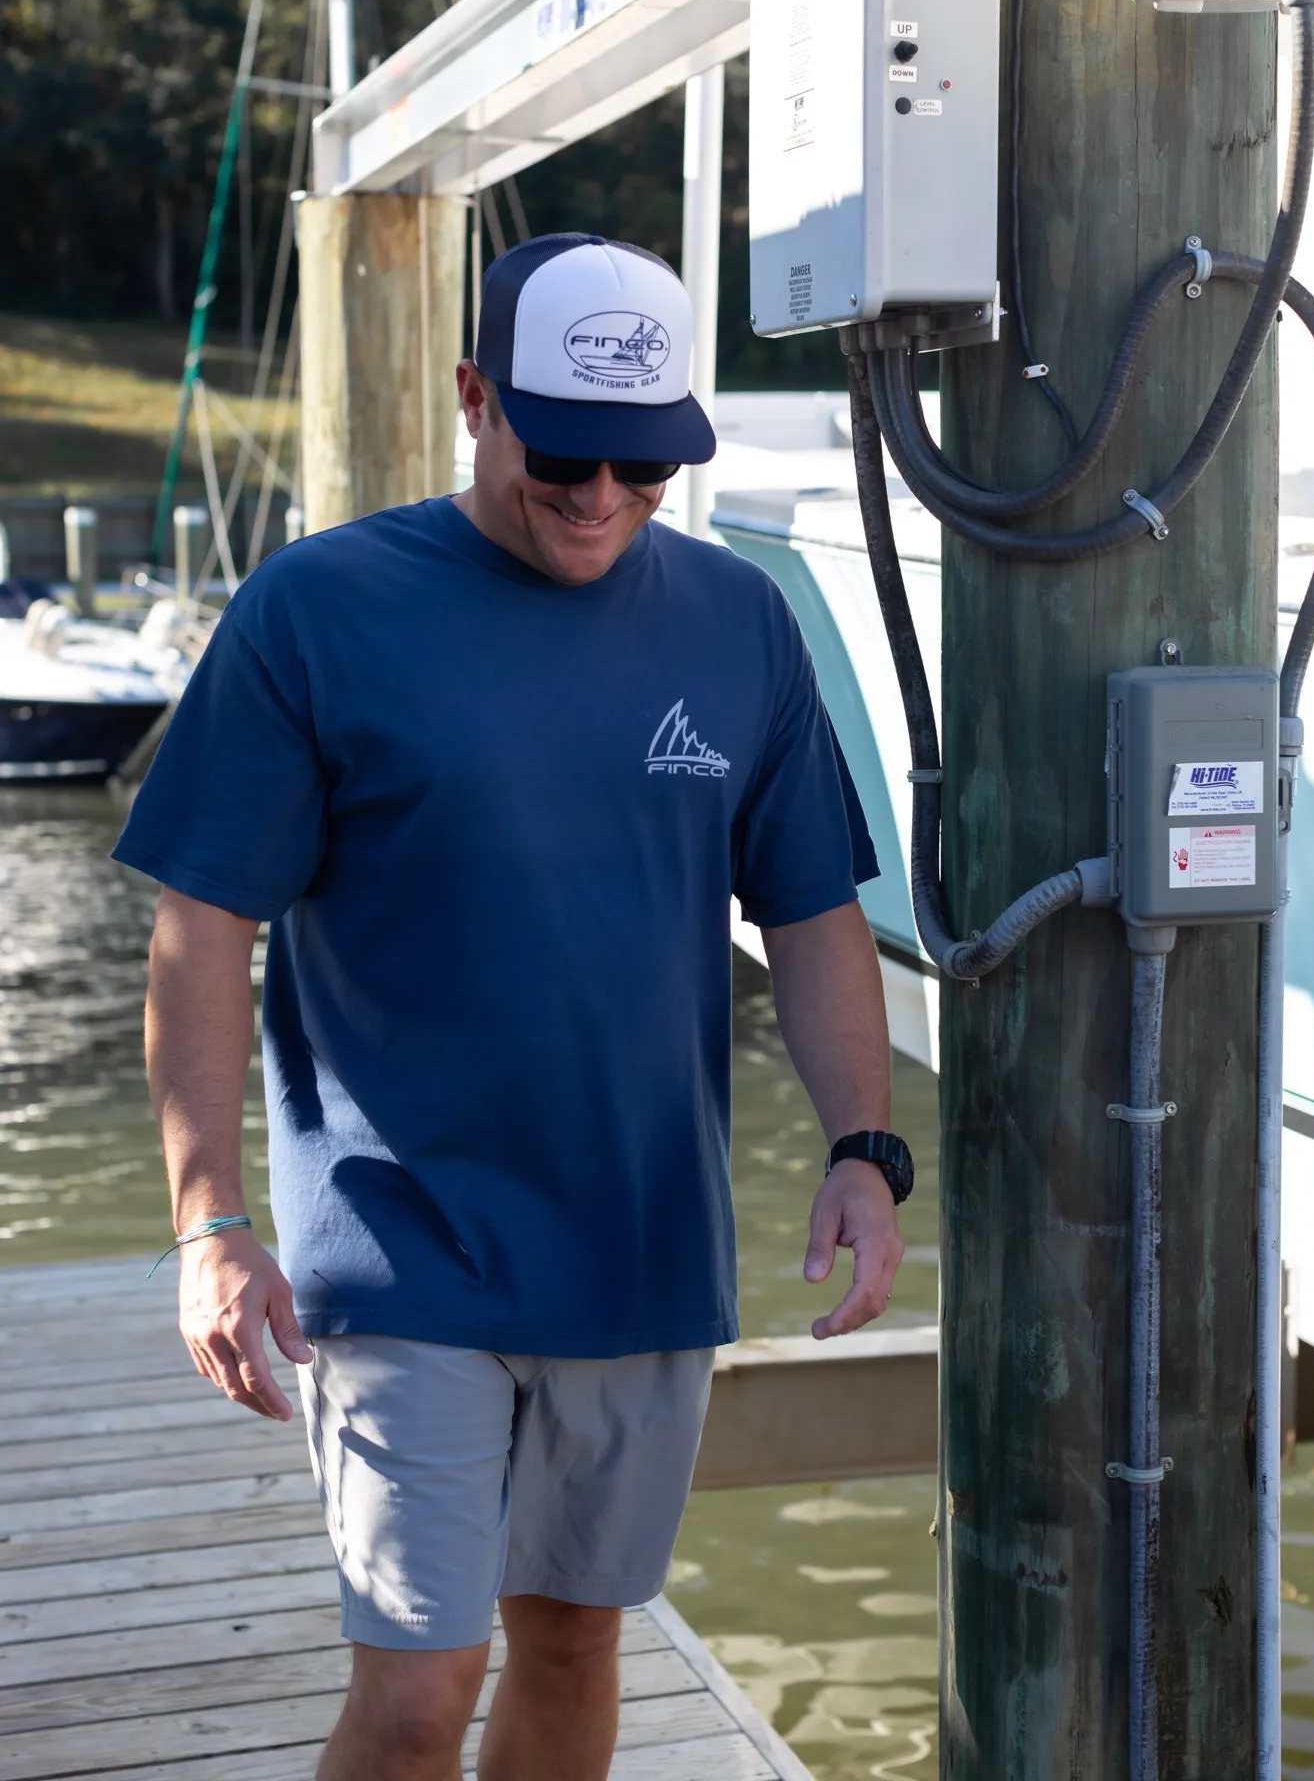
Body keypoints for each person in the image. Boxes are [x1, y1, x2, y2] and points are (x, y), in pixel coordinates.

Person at [115, 232, 913, 1781]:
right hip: (396, 1244)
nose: (603, 497)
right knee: (419, 1693)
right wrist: (210, 1223)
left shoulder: (742, 622)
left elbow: (812, 911)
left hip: (640, 1247)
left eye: (647, 467)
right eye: (566, 454)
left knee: (572, 1642)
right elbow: (200, 921)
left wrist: (865, 1151)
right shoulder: (316, 611)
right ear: (477, 398)